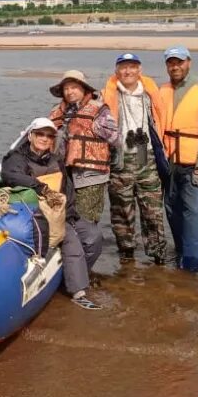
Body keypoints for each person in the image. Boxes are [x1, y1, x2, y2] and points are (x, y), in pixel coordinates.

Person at [0, 118, 102, 309]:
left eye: (49, 135)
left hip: (60, 213)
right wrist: (40, 187)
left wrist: (69, 215)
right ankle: (78, 292)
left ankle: (71, 275)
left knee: (93, 236)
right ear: (30, 135)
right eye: (40, 134)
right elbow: (11, 176)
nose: (44, 139)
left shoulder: (56, 161)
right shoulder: (16, 158)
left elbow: (67, 190)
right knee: (72, 244)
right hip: (34, 215)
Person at [48, 69, 121, 272]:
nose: (70, 92)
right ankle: (66, 264)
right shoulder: (59, 111)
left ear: (84, 89)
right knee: (64, 219)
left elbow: (115, 138)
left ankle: (83, 269)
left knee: (86, 222)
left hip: (91, 176)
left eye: (74, 87)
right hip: (65, 175)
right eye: (66, 88)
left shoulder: (99, 111)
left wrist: (90, 134)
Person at [100, 53, 170, 264]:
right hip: (121, 156)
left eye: (132, 67)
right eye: (123, 67)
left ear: (140, 70)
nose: (127, 71)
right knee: (122, 210)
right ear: (116, 71)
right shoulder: (106, 95)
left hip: (145, 154)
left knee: (152, 210)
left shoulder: (150, 94)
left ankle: (158, 255)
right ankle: (127, 255)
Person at [159, 45, 198, 272]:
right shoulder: (163, 90)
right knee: (172, 211)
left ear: (189, 62)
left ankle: (194, 267)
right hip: (169, 165)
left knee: (194, 215)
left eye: (179, 62)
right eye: (171, 62)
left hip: (194, 165)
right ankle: (180, 256)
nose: (175, 66)